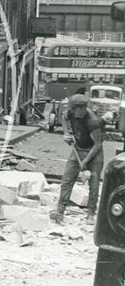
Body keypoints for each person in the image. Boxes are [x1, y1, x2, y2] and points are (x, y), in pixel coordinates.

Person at [49, 94, 103, 225]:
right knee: (67, 180)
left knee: (94, 184)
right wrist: (66, 133)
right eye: (71, 109)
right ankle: (60, 211)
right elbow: (63, 117)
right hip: (78, 149)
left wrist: (85, 162)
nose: (71, 112)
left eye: (74, 109)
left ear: (82, 108)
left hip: (94, 153)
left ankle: (90, 213)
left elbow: (97, 145)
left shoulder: (93, 121)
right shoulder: (71, 112)